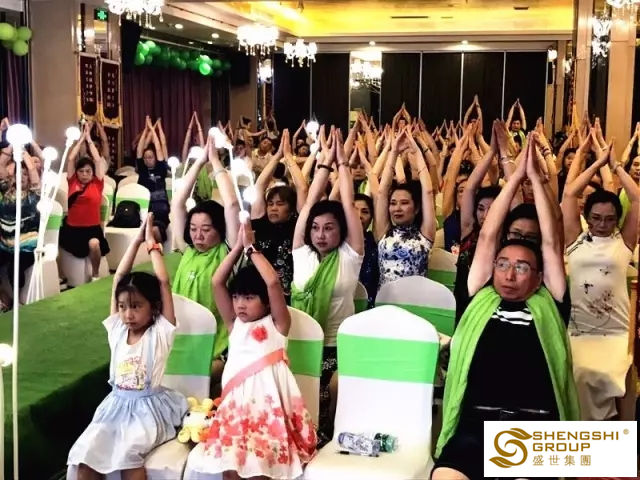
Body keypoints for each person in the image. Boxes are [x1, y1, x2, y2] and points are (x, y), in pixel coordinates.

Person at [432, 135, 580, 480]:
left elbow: (552, 240)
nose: (510, 275)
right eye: (502, 265)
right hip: (477, 425)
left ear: (539, 276)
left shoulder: (550, 300)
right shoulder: (479, 295)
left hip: (535, 427)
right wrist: (512, 178)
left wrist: (535, 179)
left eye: (522, 267)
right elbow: (487, 235)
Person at [68, 214, 187, 479]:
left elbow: (164, 282)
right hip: (114, 407)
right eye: (122, 307)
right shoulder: (118, 330)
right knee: (85, 459)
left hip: (147, 410)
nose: (128, 314)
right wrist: (135, 241)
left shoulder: (160, 332)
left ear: (154, 307)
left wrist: (152, 244)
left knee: (128, 457)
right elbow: (118, 278)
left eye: (136, 306)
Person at [198, 220, 316, 479]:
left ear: (267, 302)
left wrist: (252, 249)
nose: (240, 304)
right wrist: (237, 247)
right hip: (236, 409)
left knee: (261, 468)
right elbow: (217, 282)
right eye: (237, 297)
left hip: (267, 412)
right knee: (230, 467)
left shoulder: (278, 324)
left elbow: (272, 282)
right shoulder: (234, 323)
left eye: (249, 298)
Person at [291, 130, 364, 446]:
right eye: (316, 229)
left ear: (341, 231)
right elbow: (308, 204)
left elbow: (347, 203)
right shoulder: (301, 254)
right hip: (298, 340)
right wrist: (323, 164)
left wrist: (343, 163)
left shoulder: (350, 255)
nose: (320, 235)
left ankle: (329, 438)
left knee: (332, 390)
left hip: (335, 346)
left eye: (329, 228)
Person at [563, 140, 639, 420]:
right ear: (587, 217)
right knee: (578, 376)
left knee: (619, 380)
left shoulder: (624, 242)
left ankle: (618, 438)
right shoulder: (575, 240)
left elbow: (638, 199)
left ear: (617, 219)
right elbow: (570, 193)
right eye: (596, 218)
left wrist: (616, 165)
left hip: (616, 332)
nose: (602, 224)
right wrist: (595, 162)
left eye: (609, 219)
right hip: (581, 331)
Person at [171, 137, 240, 391]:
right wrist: (199, 162)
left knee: (201, 381)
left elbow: (232, 204)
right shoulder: (187, 250)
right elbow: (178, 202)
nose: (198, 236)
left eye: (206, 229)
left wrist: (215, 162)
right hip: (183, 339)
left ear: (219, 229)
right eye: (193, 229)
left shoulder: (228, 252)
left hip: (217, 344)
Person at [59, 123, 110, 281]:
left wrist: (89, 139)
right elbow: (70, 159)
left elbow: (98, 160)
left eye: (88, 171)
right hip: (73, 229)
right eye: (81, 171)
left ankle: (95, 274)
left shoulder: (97, 183)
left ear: (92, 173)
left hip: (92, 229)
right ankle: (62, 275)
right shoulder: (72, 181)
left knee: (94, 244)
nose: (84, 174)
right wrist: (80, 139)